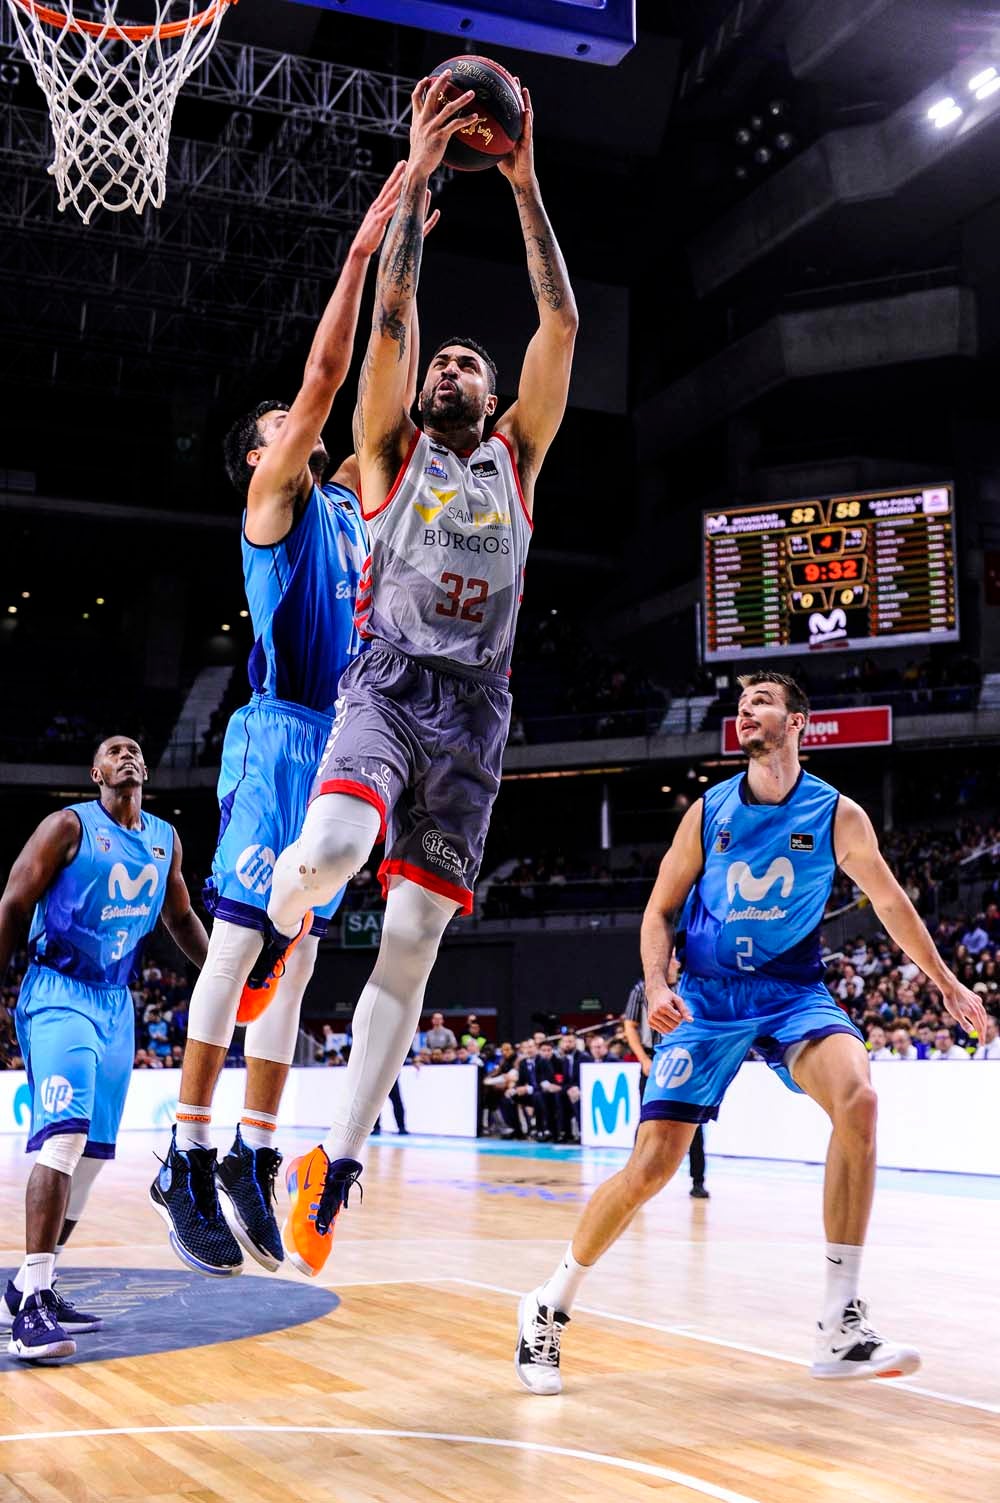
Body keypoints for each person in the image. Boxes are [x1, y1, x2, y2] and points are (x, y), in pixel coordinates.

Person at [251, 72, 577, 1277]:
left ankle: (331, 1169)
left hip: (478, 715)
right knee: (332, 858)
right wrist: (420, 174)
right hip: (388, 686)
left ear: (492, 399)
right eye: (438, 361)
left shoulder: (517, 461)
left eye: (465, 364)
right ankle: (281, 930)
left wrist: (526, 183)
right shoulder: (385, 453)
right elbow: (392, 316)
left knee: (413, 946)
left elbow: (561, 329)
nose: (446, 366)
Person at [514, 672, 987, 1394]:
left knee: (858, 1099)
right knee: (651, 1168)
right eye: (739, 707)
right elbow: (657, 912)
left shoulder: (838, 814)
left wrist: (947, 983)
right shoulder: (708, 812)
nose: (746, 713)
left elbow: (891, 904)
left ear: (799, 721)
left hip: (793, 991)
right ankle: (547, 1304)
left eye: (761, 703)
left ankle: (839, 1321)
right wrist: (661, 983)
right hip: (705, 996)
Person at [148, 167, 427, 1278]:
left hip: (346, 740)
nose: (301, 426)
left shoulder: (357, 508)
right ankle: (186, 1148)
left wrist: (408, 249)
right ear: (258, 459)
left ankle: (253, 1158)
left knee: (300, 963)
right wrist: (358, 257)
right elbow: (326, 375)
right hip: (276, 735)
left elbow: (378, 395)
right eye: (281, 429)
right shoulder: (276, 509)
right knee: (239, 940)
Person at [0, 737, 208, 1361]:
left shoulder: (164, 839)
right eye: (113, 750)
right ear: (96, 772)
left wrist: (229, 975)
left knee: (91, 1156)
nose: (127, 755)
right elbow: (12, 903)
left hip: (117, 1006)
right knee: (62, 1140)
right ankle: (32, 1301)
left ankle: (37, 1281)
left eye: (134, 749)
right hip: (58, 990)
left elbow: (180, 917)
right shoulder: (67, 826)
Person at [623, 965, 709, 1198]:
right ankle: (633, 1176)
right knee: (647, 1121)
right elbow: (629, 1026)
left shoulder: (689, 986)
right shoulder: (642, 989)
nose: (674, 959)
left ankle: (698, 1180)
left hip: (684, 1056)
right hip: (653, 1059)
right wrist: (642, 1059)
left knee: (694, 1122)